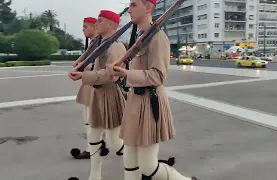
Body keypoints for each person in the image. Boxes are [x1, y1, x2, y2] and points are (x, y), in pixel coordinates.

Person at [107, 0, 198, 179]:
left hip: (150, 102)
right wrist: (116, 72)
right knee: (130, 162)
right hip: (134, 102)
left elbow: (158, 76)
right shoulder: (140, 37)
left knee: (148, 167)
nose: (129, 10)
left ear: (148, 8)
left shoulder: (158, 37)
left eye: (134, 5)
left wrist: (127, 73)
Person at [68, 10, 126, 180]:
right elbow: (96, 67)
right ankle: (95, 176)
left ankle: (143, 168)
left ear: (110, 25)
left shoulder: (115, 46)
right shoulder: (101, 43)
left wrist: (84, 75)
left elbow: (111, 75)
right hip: (97, 94)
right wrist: (83, 69)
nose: (96, 24)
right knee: (93, 137)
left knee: (116, 143)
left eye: (99, 21)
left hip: (109, 95)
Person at [70, 17, 99, 159]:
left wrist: (82, 67)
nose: (83, 30)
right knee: (90, 119)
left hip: (95, 84)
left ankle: (92, 148)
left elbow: (99, 67)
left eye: (85, 27)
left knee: (90, 120)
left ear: (95, 26)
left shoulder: (100, 43)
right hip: (90, 83)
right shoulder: (94, 43)